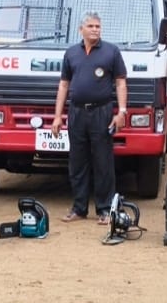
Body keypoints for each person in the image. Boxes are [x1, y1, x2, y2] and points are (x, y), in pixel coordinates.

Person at [51, 12, 128, 225]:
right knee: (77, 162)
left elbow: (120, 82)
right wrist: (57, 116)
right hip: (76, 113)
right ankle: (79, 208)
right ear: (81, 30)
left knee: (103, 162)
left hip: (102, 112)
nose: (95, 29)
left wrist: (122, 112)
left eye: (98, 26)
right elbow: (63, 85)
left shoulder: (111, 52)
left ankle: (105, 209)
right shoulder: (71, 53)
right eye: (91, 26)